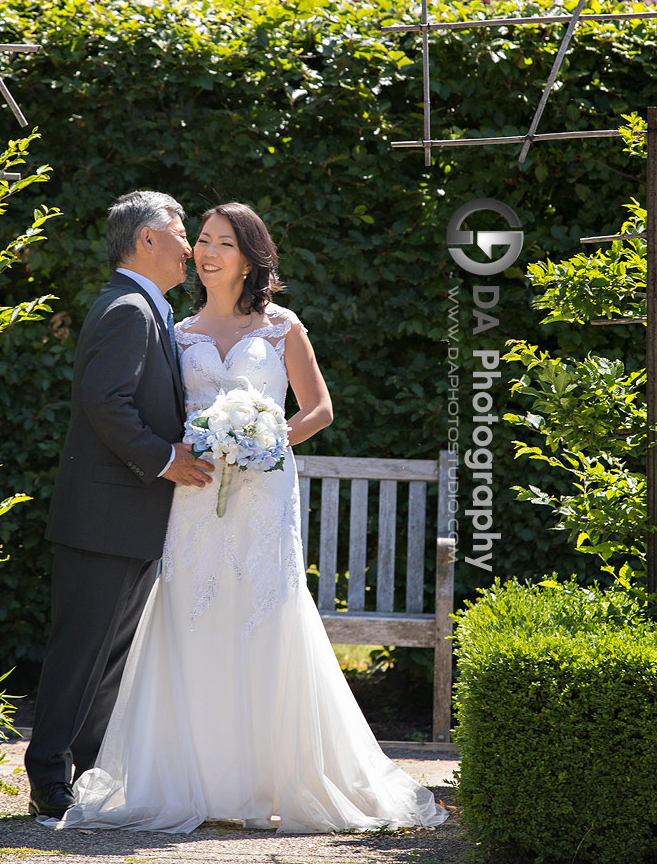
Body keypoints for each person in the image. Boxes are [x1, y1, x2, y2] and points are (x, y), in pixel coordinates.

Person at [48, 202, 448, 834]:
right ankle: (197, 779)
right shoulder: (174, 330)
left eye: (221, 243)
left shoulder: (281, 326)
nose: (205, 252)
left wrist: (270, 437)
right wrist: (190, 449)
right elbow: (156, 412)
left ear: (249, 255)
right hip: (197, 491)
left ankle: (273, 777)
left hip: (264, 490)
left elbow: (319, 408)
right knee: (192, 615)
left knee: (266, 614)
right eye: (200, 240)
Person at [24, 190, 215, 819]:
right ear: (148, 239)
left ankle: (82, 773)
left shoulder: (145, 307)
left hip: (129, 519)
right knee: (83, 650)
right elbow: (107, 403)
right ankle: (49, 775)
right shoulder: (129, 309)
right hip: (105, 518)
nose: (191, 247)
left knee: (109, 658)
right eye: (183, 232)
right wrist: (167, 459)